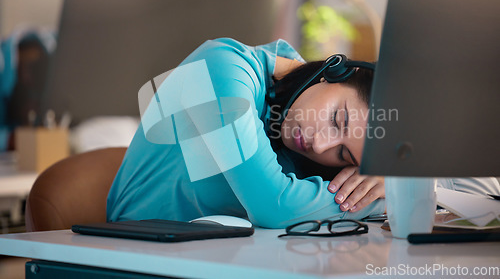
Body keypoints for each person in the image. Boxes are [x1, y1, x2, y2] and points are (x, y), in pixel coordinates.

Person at [107, 37, 386, 229]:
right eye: (337, 120)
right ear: (337, 73)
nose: (320, 145)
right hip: (127, 255)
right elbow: (274, 204)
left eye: (342, 154)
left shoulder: (298, 113)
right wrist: (383, 200)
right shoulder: (223, 67)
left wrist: (379, 181)